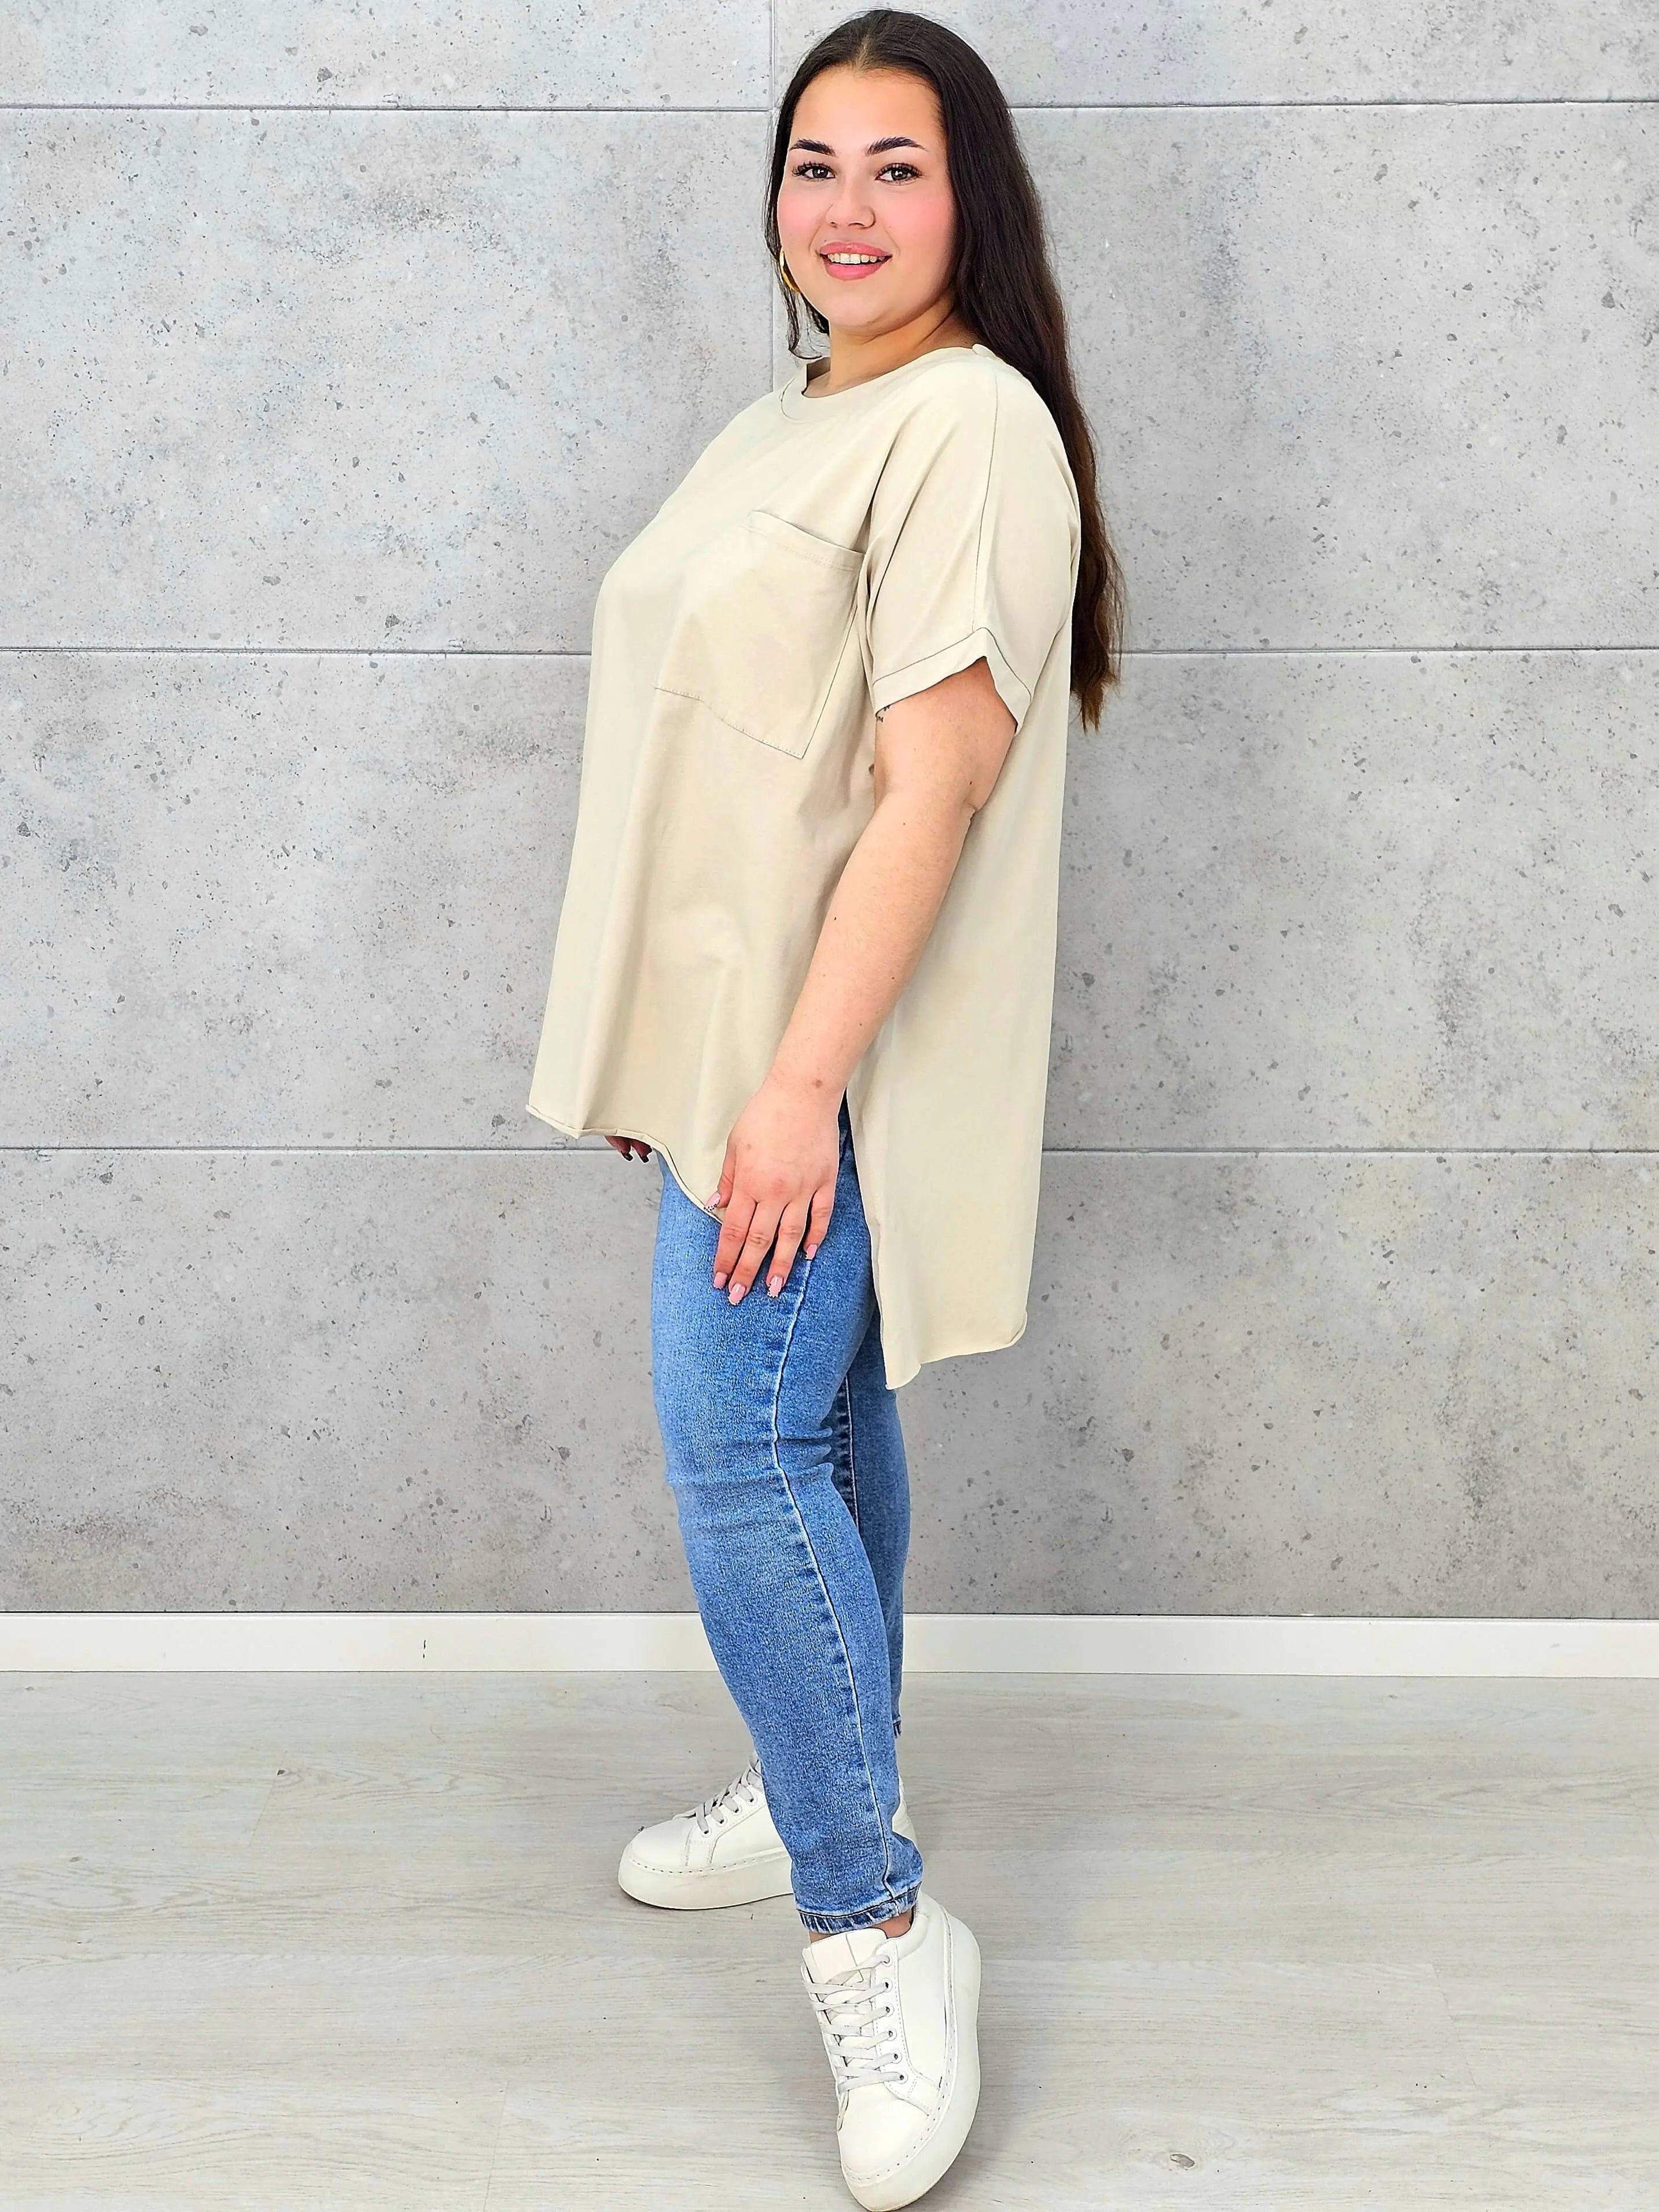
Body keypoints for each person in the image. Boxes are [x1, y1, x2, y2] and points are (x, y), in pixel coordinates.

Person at [525, 10, 1124, 2204]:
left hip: (833, 1055)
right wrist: (667, 1029)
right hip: (745, 1044)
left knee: (743, 1446)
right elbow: (723, 751)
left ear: (974, 199)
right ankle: (824, 1792)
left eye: (897, 166)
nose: (846, 208)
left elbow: (928, 785)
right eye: (812, 164)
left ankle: (870, 1921)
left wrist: (789, 1084)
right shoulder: (790, 411)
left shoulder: (964, 424)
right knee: (819, 1427)